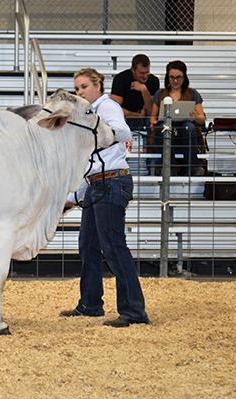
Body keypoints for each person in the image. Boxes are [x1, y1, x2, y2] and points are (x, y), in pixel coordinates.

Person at [60, 68, 150, 328]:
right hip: (98, 185)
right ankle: (90, 304)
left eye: (84, 87)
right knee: (88, 245)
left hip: (112, 182)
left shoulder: (106, 107)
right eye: (77, 89)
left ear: (98, 86)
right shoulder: (88, 116)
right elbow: (91, 167)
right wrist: (71, 199)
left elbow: (123, 133)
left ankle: (134, 311)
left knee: (113, 246)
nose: (80, 92)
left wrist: (96, 130)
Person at [149, 60, 206, 176]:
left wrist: (195, 117)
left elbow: (202, 119)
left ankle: (192, 167)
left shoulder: (192, 93)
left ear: (184, 77)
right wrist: (153, 122)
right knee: (162, 128)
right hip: (167, 130)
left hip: (185, 132)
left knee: (188, 126)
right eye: (172, 77)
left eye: (178, 77)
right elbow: (153, 117)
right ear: (167, 78)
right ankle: (169, 168)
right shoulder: (160, 93)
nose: (175, 81)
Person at [110, 54, 160, 131]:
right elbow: (114, 109)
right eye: (141, 73)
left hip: (145, 122)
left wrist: (144, 90)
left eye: (147, 72)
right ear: (133, 70)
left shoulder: (153, 80)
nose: (145, 76)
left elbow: (152, 111)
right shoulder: (121, 79)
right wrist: (137, 115)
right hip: (125, 120)